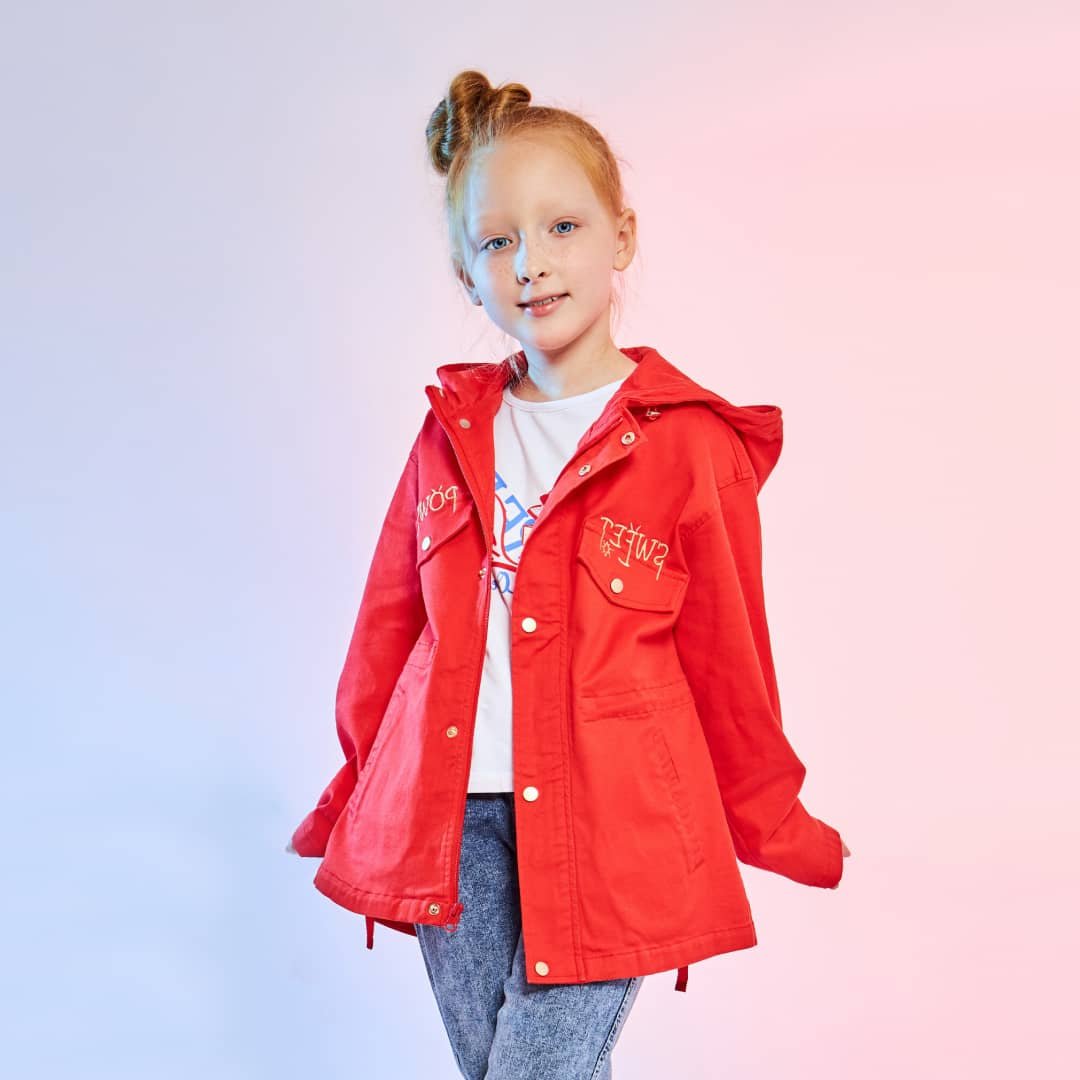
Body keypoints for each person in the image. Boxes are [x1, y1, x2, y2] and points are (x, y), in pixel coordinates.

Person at [287, 68, 851, 1080]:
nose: (532, 263)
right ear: (467, 275)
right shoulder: (447, 434)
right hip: (449, 815)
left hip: (610, 825)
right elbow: (388, 631)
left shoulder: (688, 446)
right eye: (497, 241)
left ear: (621, 237)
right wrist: (353, 794)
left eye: (562, 227)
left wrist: (771, 816)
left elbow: (730, 657)